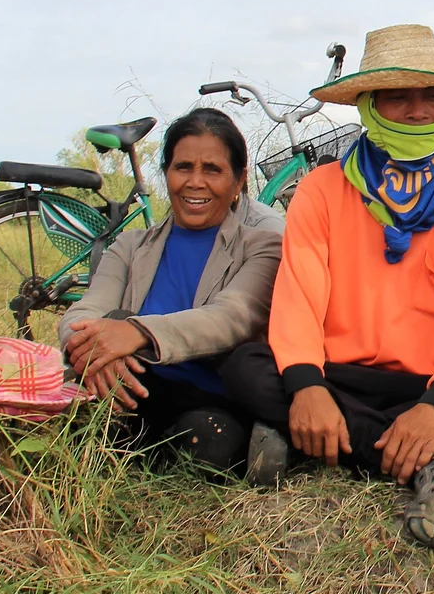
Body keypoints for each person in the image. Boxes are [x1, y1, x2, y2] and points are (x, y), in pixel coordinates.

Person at [222, 24, 434, 547]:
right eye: (399, 98)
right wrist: (307, 387)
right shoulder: (321, 190)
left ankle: (312, 443)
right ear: (367, 106)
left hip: (433, 385)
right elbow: (298, 299)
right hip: (337, 377)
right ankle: (430, 464)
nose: (419, 112)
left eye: (432, 97)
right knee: (245, 366)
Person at [59, 108, 283, 472]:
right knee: (108, 324)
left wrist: (135, 332)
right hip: (128, 389)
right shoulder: (128, 247)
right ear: (166, 174)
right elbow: (84, 312)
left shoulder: (261, 248)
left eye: (212, 170)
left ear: (239, 181)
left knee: (210, 441)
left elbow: (232, 318)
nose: (195, 182)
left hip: (211, 398)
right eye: (183, 167)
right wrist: (87, 348)